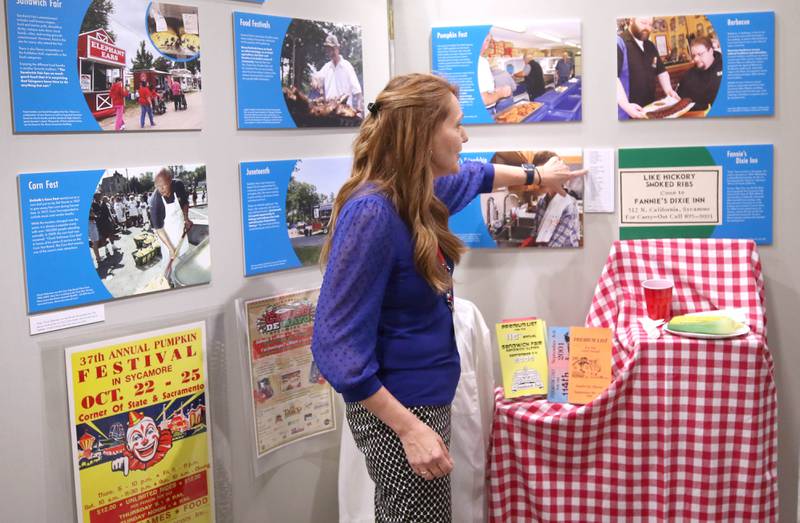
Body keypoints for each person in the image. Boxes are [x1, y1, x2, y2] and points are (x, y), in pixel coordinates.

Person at [310, 73, 585, 522]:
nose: (465, 135)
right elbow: (335, 348)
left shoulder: (416, 192)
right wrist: (409, 429)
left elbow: (477, 175)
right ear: (421, 133)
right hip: (401, 412)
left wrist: (539, 176)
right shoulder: (372, 213)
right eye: (456, 125)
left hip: (424, 401)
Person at [616, 17, 679, 119]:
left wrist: (669, 90)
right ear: (631, 20)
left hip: (649, 109)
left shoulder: (651, 46)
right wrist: (626, 105)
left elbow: (661, 71)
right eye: (643, 23)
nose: (647, 28)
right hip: (627, 112)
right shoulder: (619, 43)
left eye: (650, 24)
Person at [149, 169, 192, 267]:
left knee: (185, 260)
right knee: (171, 265)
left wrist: (186, 218)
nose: (161, 189)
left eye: (163, 185)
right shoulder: (155, 202)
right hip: (167, 237)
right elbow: (159, 229)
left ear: (170, 180)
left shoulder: (178, 185)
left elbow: (185, 203)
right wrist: (171, 248)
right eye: (157, 186)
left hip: (180, 231)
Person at [314, 34, 364, 113]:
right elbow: (316, 77)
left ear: (338, 48)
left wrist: (359, 106)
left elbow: (357, 89)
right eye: (329, 50)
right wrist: (316, 82)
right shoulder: (326, 67)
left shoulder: (347, 66)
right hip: (329, 110)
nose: (331, 52)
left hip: (344, 111)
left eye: (333, 49)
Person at [676, 36, 723, 112]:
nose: (696, 59)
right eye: (694, 55)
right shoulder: (687, 77)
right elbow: (679, 103)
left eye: (700, 54)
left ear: (711, 51)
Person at [477, 35, 512, 108]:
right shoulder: (482, 62)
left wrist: (495, 91)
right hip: (491, 106)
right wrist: (501, 93)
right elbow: (484, 99)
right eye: (486, 40)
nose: (486, 47)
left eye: (489, 42)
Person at [91, 192, 118, 259]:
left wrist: (112, 219)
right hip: (99, 223)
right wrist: (97, 215)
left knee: (110, 233)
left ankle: (113, 245)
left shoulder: (103, 203)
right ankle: (106, 248)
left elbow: (108, 212)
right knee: (103, 236)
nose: (101, 197)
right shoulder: (93, 205)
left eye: (100, 196)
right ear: (95, 197)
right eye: (99, 196)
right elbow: (93, 214)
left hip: (106, 221)